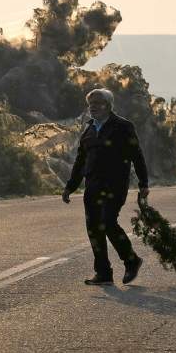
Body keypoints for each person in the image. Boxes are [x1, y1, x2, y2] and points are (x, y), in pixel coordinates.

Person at [62, 88, 150, 285]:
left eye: (98, 103)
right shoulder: (89, 130)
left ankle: (131, 261)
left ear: (109, 106)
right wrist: (70, 187)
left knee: (108, 222)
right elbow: (80, 162)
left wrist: (144, 183)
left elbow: (137, 155)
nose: (93, 107)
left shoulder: (123, 126)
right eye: (91, 104)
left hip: (115, 185)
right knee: (94, 228)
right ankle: (103, 273)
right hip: (92, 186)